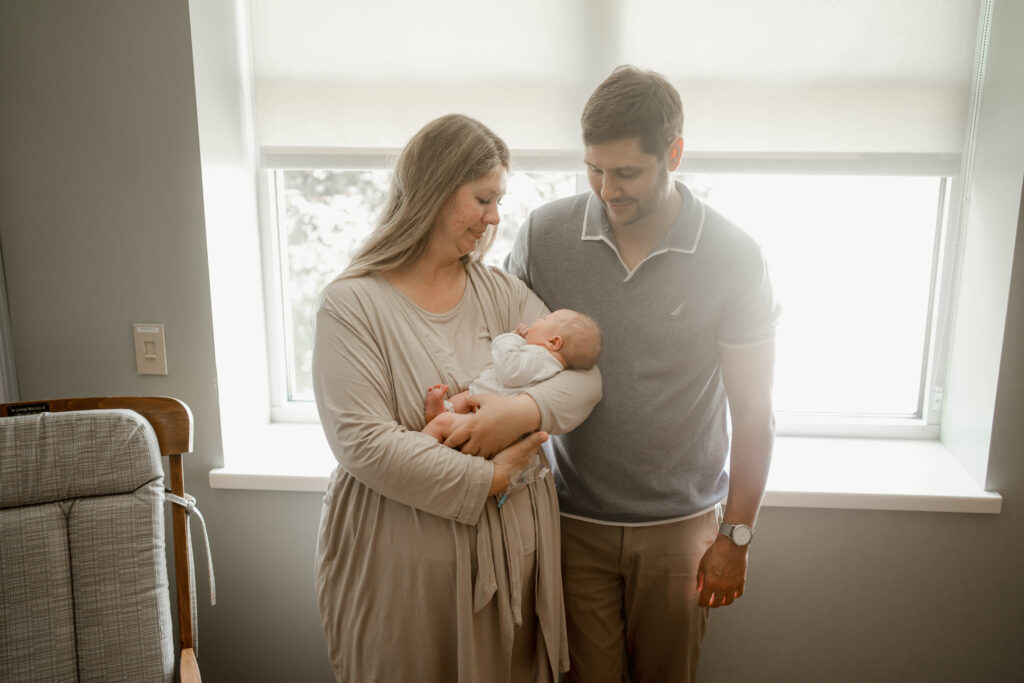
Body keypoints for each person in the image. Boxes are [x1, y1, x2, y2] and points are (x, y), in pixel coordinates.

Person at [506, 66, 781, 682]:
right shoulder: (544, 235)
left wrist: (736, 537)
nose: (607, 190)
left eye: (626, 172)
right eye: (594, 169)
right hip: (570, 521)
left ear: (674, 154)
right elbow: (501, 354)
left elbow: (753, 411)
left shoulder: (734, 256)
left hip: (680, 529)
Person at [312, 113, 602, 683]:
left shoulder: (501, 292)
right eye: (483, 199)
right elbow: (364, 444)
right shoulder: (351, 305)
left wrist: (516, 413)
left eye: (499, 201)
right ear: (436, 190)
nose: (495, 218)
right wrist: (492, 477)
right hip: (403, 570)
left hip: (514, 564)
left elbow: (586, 380)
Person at [422, 308, 602, 441]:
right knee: (464, 400)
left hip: (487, 412)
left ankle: (434, 427)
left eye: (544, 319)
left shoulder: (541, 358)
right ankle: (444, 411)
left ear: (554, 342)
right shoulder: (550, 365)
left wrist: (511, 338)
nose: (536, 321)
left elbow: (509, 369)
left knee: (455, 416)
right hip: (487, 404)